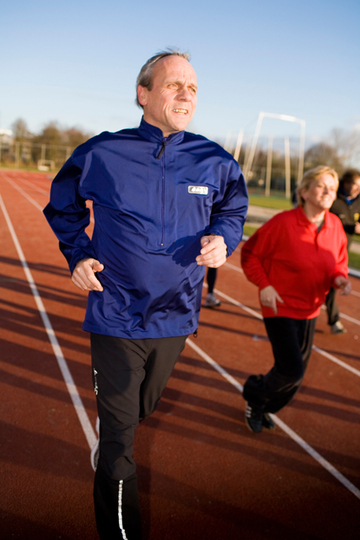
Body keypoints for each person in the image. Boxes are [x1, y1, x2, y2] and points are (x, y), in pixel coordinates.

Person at [43, 49, 248, 539]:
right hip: (114, 310)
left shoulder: (215, 160)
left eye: (193, 88)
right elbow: (63, 204)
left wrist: (224, 238)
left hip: (176, 313)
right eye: (174, 84)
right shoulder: (103, 152)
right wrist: (78, 254)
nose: (186, 94)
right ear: (143, 94)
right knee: (118, 446)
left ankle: (118, 433)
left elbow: (233, 210)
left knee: (140, 410)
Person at [240, 166, 351, 434]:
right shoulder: (283, 223)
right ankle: (254, 395)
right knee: (293, 371)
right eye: (322, 186)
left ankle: (264, 407)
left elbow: (338, 263)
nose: (328, 192)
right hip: (279, 306)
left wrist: (340, 279)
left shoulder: (335, 225)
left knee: (293, 376)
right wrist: (264, 285)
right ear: (304, 191)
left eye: (332, 188)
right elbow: (250, 254)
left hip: (311, 308)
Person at [325, 168, 360, 334]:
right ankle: (334, 319)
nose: (358, 188)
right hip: (326, 245)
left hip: (344, 248)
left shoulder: (359, 201)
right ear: (346, 183)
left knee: (333, 284)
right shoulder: (334, 199)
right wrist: (350, 226)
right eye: (355, 184)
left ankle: (333, 320)